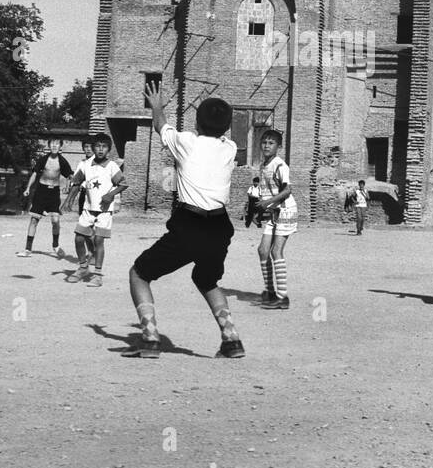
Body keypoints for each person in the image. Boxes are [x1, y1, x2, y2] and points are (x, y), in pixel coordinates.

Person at [123, 80, 245, 359]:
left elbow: (160, 127)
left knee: (139, 274)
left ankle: (151, 339)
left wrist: (157, 107)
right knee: (207, 280)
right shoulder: (230, 149)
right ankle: (231, 340)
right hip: (220, 227)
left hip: (190, 223)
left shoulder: (187, 142)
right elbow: (217, 133)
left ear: (197, 124)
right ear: (226, 128)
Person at [61, 135, 125, 287]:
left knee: (98, 241)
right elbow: (76, 184)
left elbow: (123, 184)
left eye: (104, 146)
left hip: (104, 210)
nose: (100, 149)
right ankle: (83, 267)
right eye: (97, 146)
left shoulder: (112, 166)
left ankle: (97, 274)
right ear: (93, 147)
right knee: (78, 238)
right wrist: (68, 200)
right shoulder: (85, 164)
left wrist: (111, 195)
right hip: (88, 209)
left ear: (109, 149)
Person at [256, 129, 297, 309]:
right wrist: (262, 209)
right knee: (263, 250)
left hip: (286, 210)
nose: (266, 145)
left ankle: (283, 297)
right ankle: (270, 291)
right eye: (264, 142)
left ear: (278, 147)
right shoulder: (264, 164)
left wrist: (268, 203)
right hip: (273, 211)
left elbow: (287, 190)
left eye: (271, 143)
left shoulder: (281, 165)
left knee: (276, 252)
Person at [18, 139, 74, 257]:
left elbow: (70, 175)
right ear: (49, 146)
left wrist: (69, 185)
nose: (54, 146)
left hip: (54, 193)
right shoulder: (43, 159)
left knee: (55, 220)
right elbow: (34, 174)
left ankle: (56, 246)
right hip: (41, 191)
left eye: (57, 144)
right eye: (52, 144)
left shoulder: (62, 161)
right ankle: (28, 249)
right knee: (34, 220)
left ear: (60, 147)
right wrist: (28, 188)